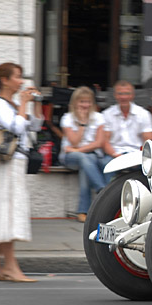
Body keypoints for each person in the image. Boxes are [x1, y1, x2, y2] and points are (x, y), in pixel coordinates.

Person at [0, 62, 43, 283]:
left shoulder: (13, 104)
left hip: (16, 162)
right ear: (4, 80)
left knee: (4, 212)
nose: (22, 81)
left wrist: (35, 105)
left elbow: (33, 126)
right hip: (6, 163)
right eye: (18, 77)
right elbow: (15, 127)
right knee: (7, 213)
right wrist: (23, 103)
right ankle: (11, 267)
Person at [59, 86, 111, 223]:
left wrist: (77, 150)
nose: (85, 105)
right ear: (75, 103)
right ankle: (102, 190)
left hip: (87, 156)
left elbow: (99, 143)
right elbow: (75, 141)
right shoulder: (67, 118)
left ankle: (83, 211)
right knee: (85, 158)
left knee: (86, 163)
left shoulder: (98, 118)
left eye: (88, 102)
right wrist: (82, 124)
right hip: (69, 157)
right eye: (82, 102)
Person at [103, 80, 152, 159]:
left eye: (127, 93)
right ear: (115, 95)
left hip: (137, 154)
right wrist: (115, 155)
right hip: (114, 154)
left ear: (133, 95)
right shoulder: (106, 114)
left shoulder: (144, 114)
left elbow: (149, 141)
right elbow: (104, 142)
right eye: (120, 94)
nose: (123, 97)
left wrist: (140, 156)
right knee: (104, 164)